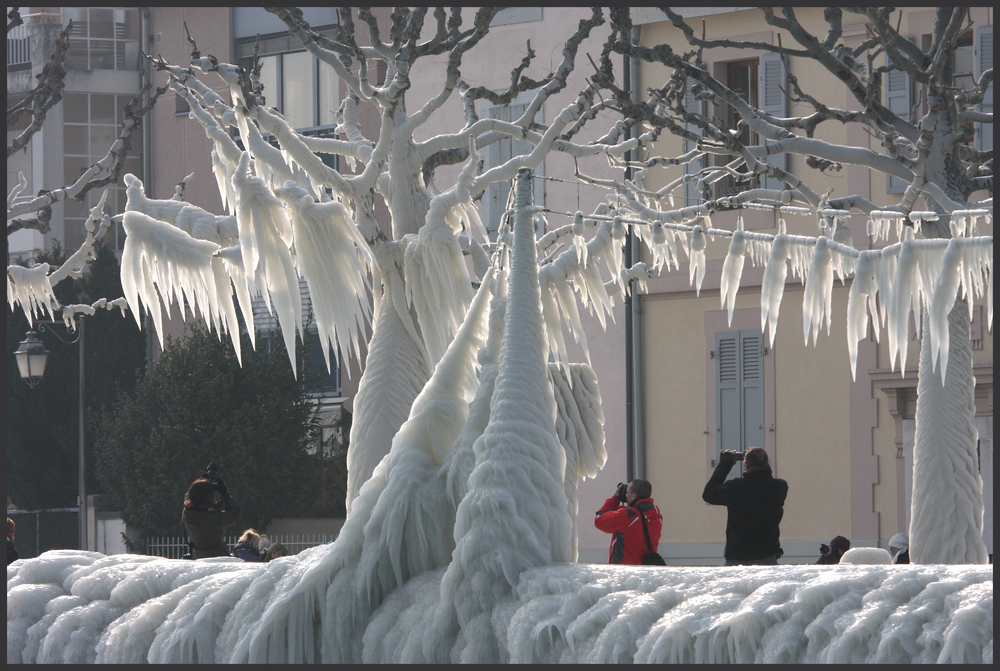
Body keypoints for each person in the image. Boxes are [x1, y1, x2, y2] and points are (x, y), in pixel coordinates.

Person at [702, 447, 788, 566]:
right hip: (767, 555)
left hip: (738, 557)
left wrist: (725, 465)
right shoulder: (780, 487)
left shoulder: (736, 487)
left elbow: (708, 494)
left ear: (746, 463)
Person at [594, 479, 663, 565]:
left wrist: (615, 498)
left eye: (627, 492)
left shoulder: (628, 516)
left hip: (625, 572)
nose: (626, 495)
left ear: (634, 496)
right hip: (645, 571)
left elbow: (599, 520)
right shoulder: (657, 516)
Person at [181, 469, 241, 559]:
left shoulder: (188, 513)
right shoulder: (212, 519)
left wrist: (201, 484)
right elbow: (235, 513)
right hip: (216, 558)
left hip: (196, 556)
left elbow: (191, 497)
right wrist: (226, 494)